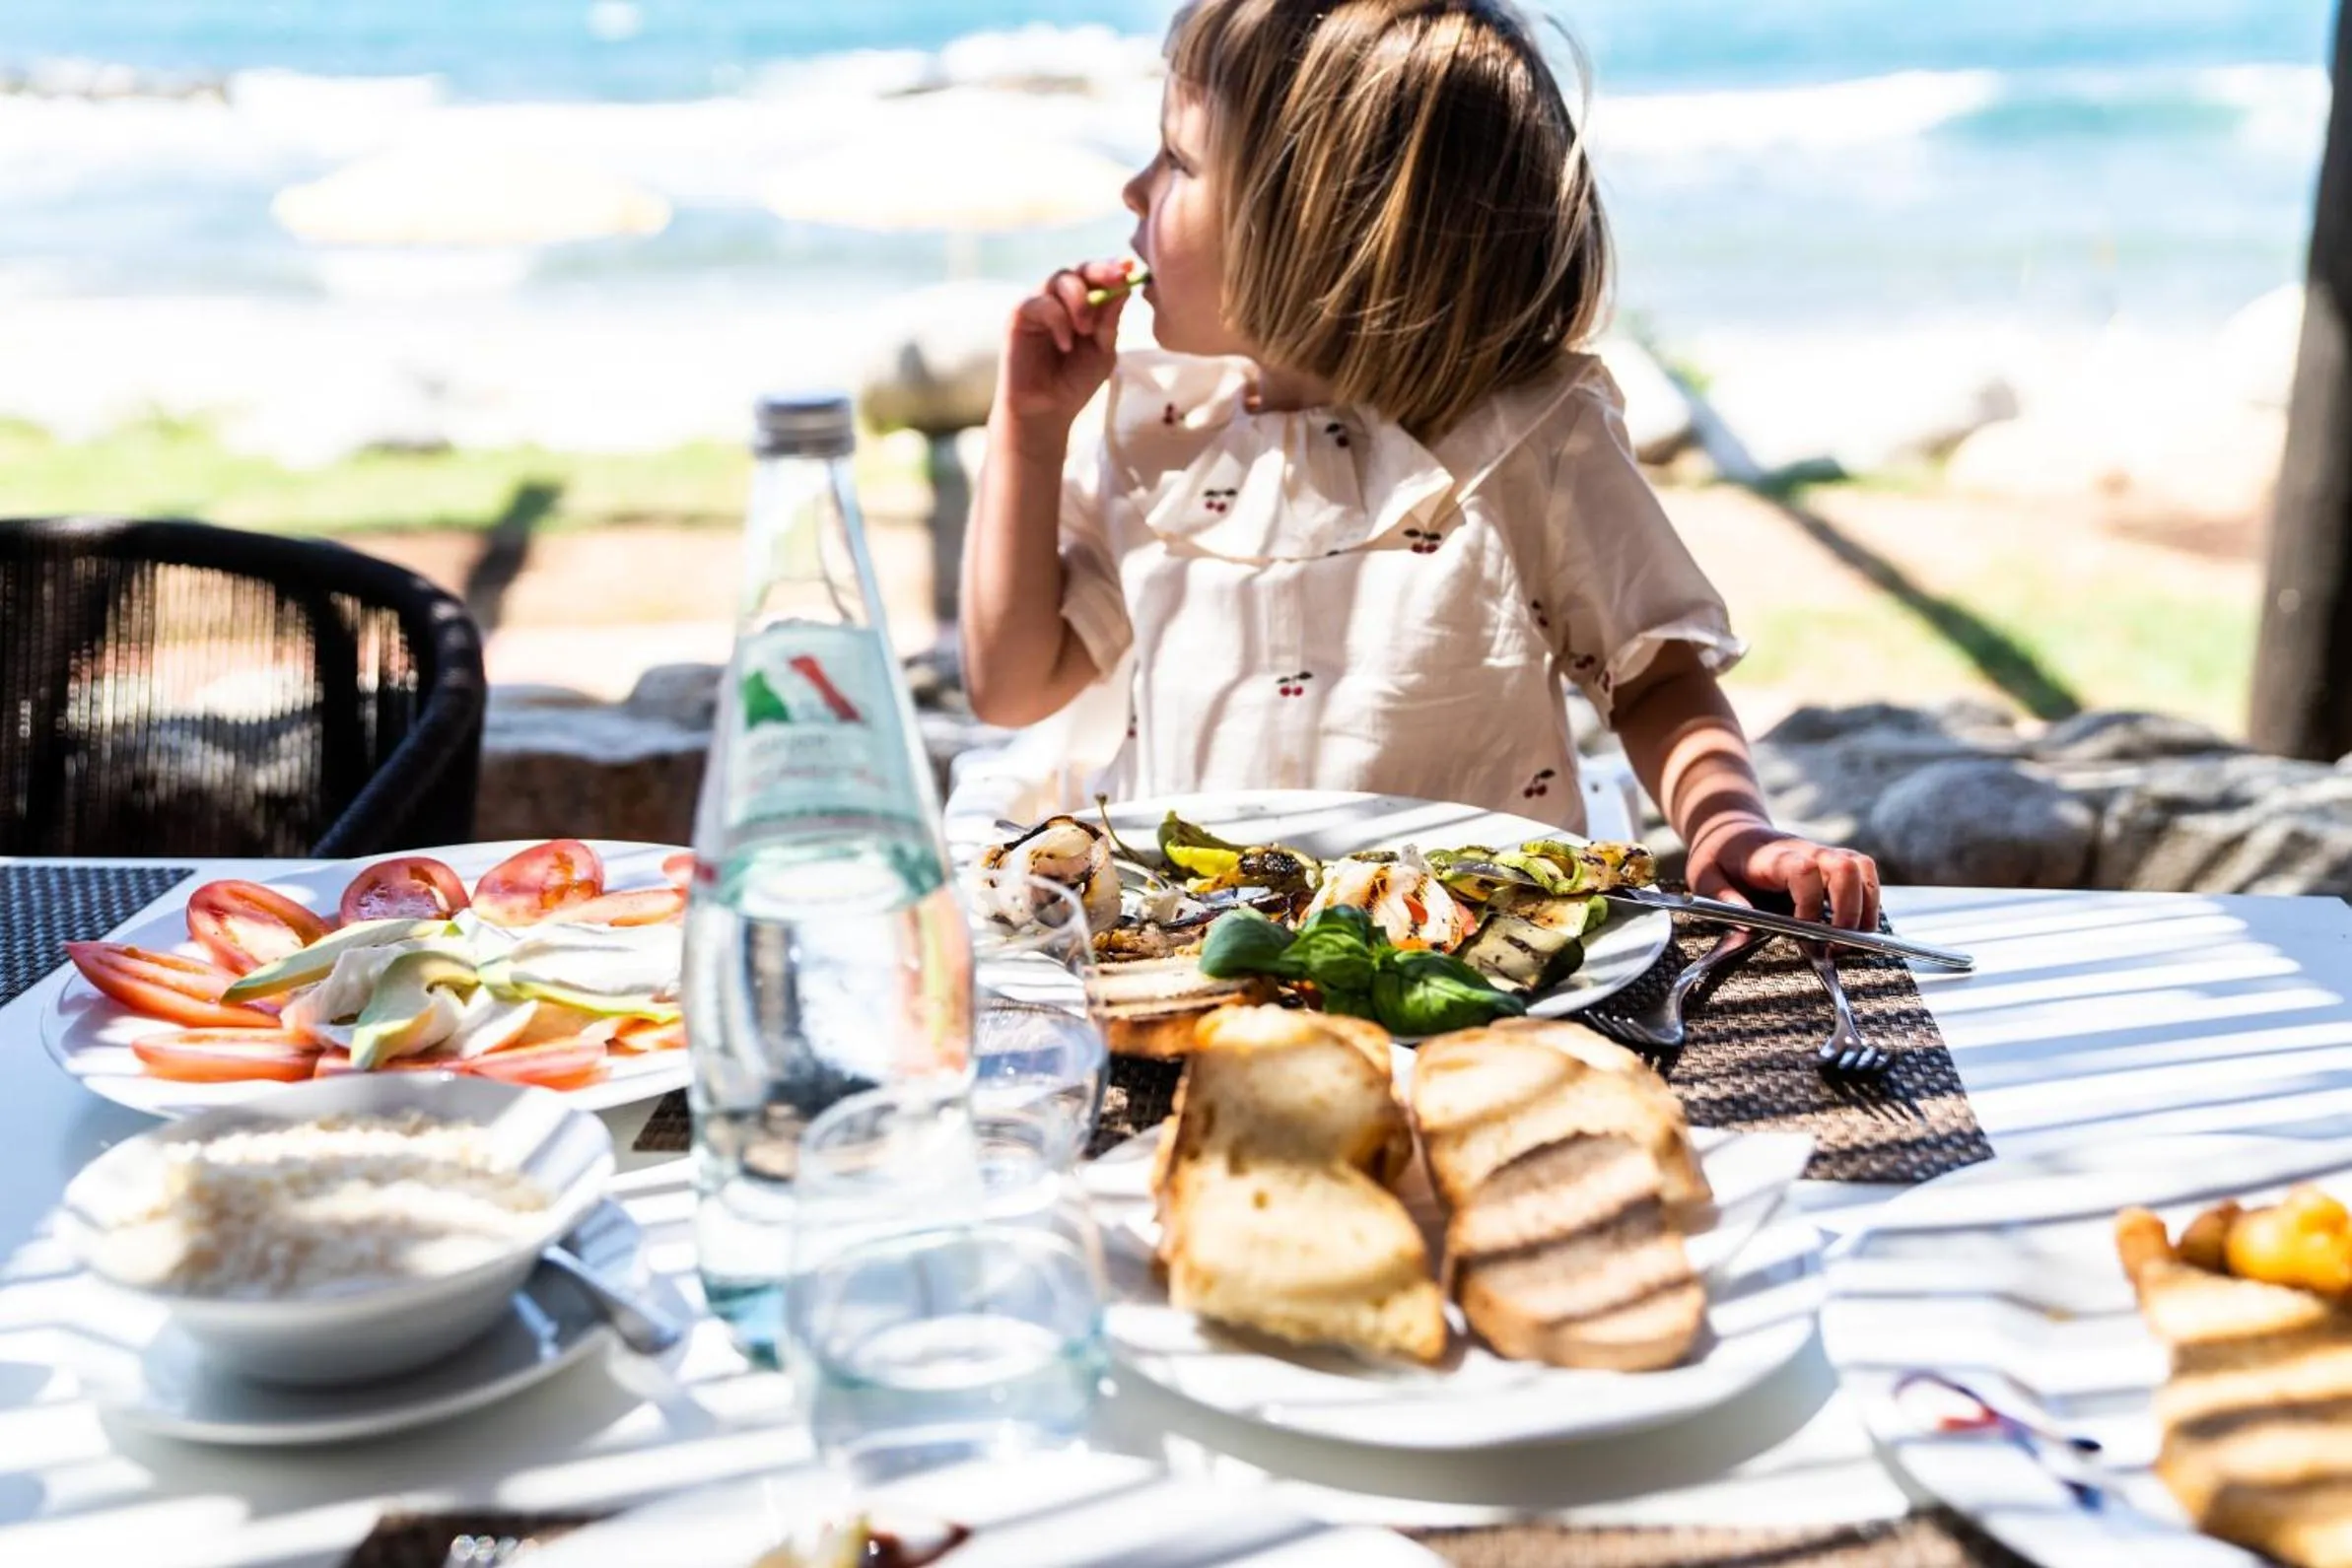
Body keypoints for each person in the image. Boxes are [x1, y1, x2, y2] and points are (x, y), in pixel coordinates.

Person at [958, 0, 1880, 929]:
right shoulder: (1166, 431)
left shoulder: (1527, 439)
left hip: (1479, 963)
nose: (1133, 188)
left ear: (1323, 226)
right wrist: (1030, 429)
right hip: (1194, 956)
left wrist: (1732, 826)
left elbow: (1657, 677)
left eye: (1179, 162)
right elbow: (1013, 683)